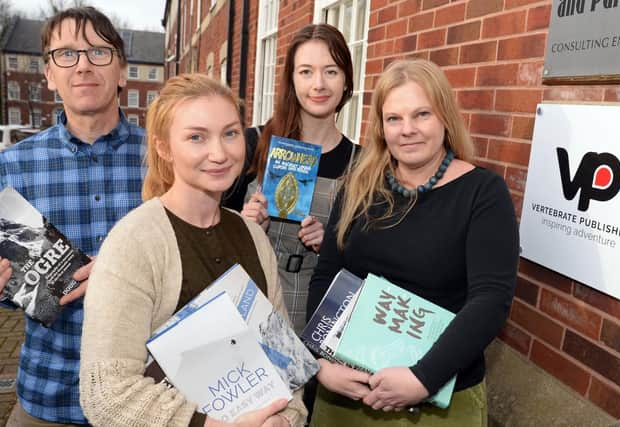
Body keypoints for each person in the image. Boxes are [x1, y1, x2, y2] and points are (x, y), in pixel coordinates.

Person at [78, 74, 306, 427]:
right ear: (164, 147)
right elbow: (106, 394)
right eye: (197, 137)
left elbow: (288, 367)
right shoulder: (134, 242)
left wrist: (284, 420)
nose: (219, 153)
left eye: (230, 133)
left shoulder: (254, 237)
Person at [306, 59, 520, 427]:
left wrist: (423, 377)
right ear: (381, 126)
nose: (407, 130)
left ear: (445, 118)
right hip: (346, 392)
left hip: (436, 401)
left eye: (422, 114)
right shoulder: (358, 185)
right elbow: (326, 274)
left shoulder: (483, 193)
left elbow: (491, 299)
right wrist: (320, 361)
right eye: (394, 118)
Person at [0, 7, 146, 426]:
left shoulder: (166, 157)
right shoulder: (13, 167)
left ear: (121, 70)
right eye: (66, 54)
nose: (82, 65)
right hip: (49, 392)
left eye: (99, 52)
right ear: (49, 74)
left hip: (144, 392)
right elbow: (15, 285)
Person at [235, 23, 359, 335]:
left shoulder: (363, 164)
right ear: (291, 80)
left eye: (331, 71)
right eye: (306, 72)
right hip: (258, 304)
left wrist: (332, 245)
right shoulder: (255, 143)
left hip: (326, 314)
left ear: (346, 81)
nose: (318, 84)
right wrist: (245, 225)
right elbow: (209, 225)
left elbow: (375, 257)